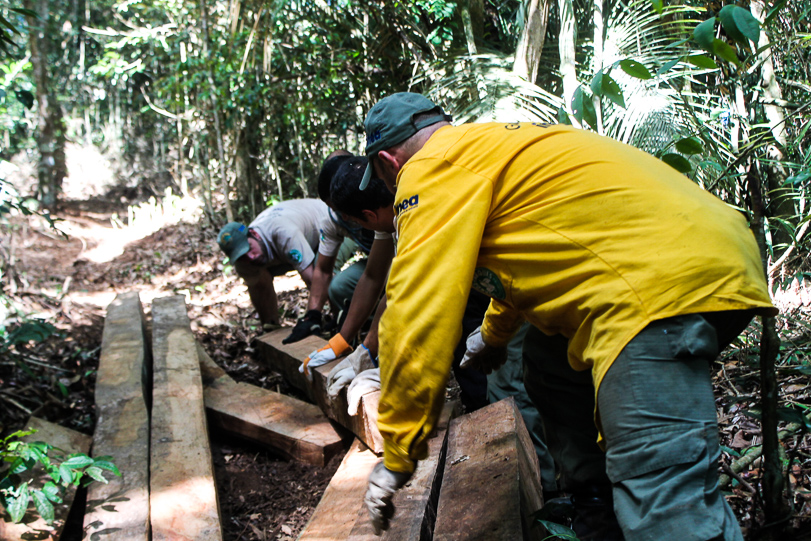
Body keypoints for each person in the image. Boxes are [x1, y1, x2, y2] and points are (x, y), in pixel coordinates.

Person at [360, 92, 776, 541]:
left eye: (383, 179)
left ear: (387, 162)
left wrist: (398, 451)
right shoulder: (488, 147)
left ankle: (651, 507)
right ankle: (598, 504)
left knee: (668, 503)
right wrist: (493, 337)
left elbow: (415, 311)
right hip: (713, 254)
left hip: (650, 289)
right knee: (547, 355)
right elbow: (531, 260)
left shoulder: (428, 168)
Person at [329, 157, 567, 503]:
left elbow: (420, 305)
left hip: (525, 274)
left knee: (509, 385)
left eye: (356, 222)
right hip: (511, 276)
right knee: (510, 374)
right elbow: (394, 289)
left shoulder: (417, 212)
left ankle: (547, 494)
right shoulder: (402, 198)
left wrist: (394, 378)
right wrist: (364, 350)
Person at [217, 198, 357, 332]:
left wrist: (311, 318)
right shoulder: (243, 262)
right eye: (242, 256)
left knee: (323, 270)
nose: (250, 257)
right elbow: (257, 287)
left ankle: (344, 324)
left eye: (249, 248)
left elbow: (315, 279)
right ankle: (271, 326)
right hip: (300, 243)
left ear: (254, 234)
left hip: (335, 226)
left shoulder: (283, 232)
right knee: (257, 280)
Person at [282, 151, 378, 346]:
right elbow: (324, 270)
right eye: (336, 208)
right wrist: (313, 315)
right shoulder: (333, 218)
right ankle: (363, 322)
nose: (344, 216)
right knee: (339, 287)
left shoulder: (380, 198)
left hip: (405, 256)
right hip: (378, 261)